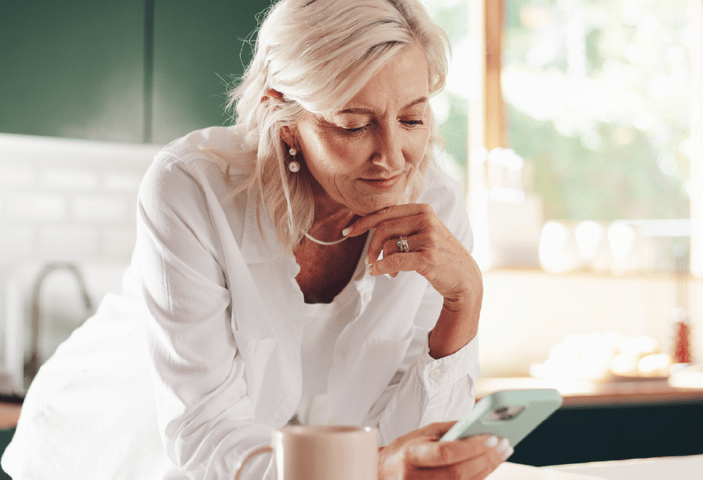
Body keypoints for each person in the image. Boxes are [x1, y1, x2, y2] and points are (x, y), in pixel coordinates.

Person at [2, 0, 513, 478]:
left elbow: (417, 447)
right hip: (110, 450)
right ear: (284, 118)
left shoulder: (435, 206)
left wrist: (463, 302)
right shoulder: (192, 188)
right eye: (353, 125)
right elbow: (205, 435)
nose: (394, 156)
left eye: (412, 119)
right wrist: (373, 467)